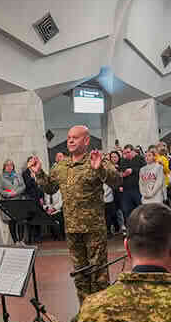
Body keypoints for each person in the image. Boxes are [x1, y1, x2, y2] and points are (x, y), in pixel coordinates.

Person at [34, 125, 120, 304]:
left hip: (93, 228)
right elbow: (50, 188)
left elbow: (116, 181)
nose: (70, 141)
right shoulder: (62, 165)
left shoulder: (96, 159)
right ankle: (85, 309)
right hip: (72, 228)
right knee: (80, 274)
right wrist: (39, 173)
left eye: (75, 137)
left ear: (86, 140)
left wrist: (99, 169)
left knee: (98, 274)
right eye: (68, 138)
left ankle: (101, 311)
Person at [0, 159, 26, 243]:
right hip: (8, 201)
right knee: (12, 222)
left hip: (18, 200)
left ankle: (21, 240)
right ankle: (15, 241)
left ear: (13, 166)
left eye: (11, 165)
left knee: (20, 221)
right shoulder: (1, 177)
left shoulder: (18, 175)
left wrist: (16, 192)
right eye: (7, 165)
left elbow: (23, 186)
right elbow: (0, 189)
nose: (9, 167)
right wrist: (8, 193)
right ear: (4, 167)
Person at [118, 144, 144, 220]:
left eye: (128, 152)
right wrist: (123, 174)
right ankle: (130, 226)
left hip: (138, 188)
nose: (126, 154)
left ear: (133, 151)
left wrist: (133, 170)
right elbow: (120, 172)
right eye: (125, 153)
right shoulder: (123, 161)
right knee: (127, 211)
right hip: (126, 190)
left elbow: (144, 170)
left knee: (140, 210)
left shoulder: (140, 158)